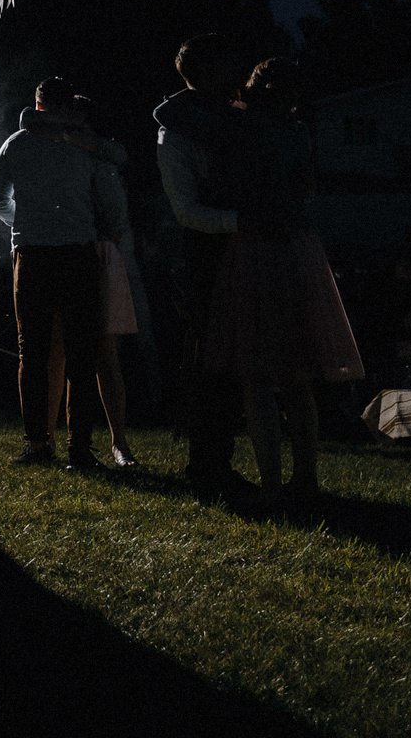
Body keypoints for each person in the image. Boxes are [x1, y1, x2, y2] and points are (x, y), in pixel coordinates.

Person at [202, 58, 365, 510]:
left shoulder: (239, 126)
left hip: (255, 245)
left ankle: (272, 481)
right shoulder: (297, 134)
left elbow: (169, 117)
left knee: (256, 375)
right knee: (296, 375)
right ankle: (306, 478)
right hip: (297, 247)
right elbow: (308, 190)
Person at [0, 79, 130, 469]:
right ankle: (79, 449)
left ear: (37, 103)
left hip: (32, 255)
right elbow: (114, 192)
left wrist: (27, 224)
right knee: (82, 354)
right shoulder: (84, 146)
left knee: (32, 352)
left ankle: (38, 444)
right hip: (78, 254)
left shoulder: (16, 143)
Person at [154, 33, 250, 501]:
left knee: (232, 357)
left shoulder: (230, 120)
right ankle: (207, 461)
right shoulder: (175, 132)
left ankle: (219, 457)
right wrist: (246, 222)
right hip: (205, 252)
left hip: (238, 245)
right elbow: (186, 210)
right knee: (210, 356)